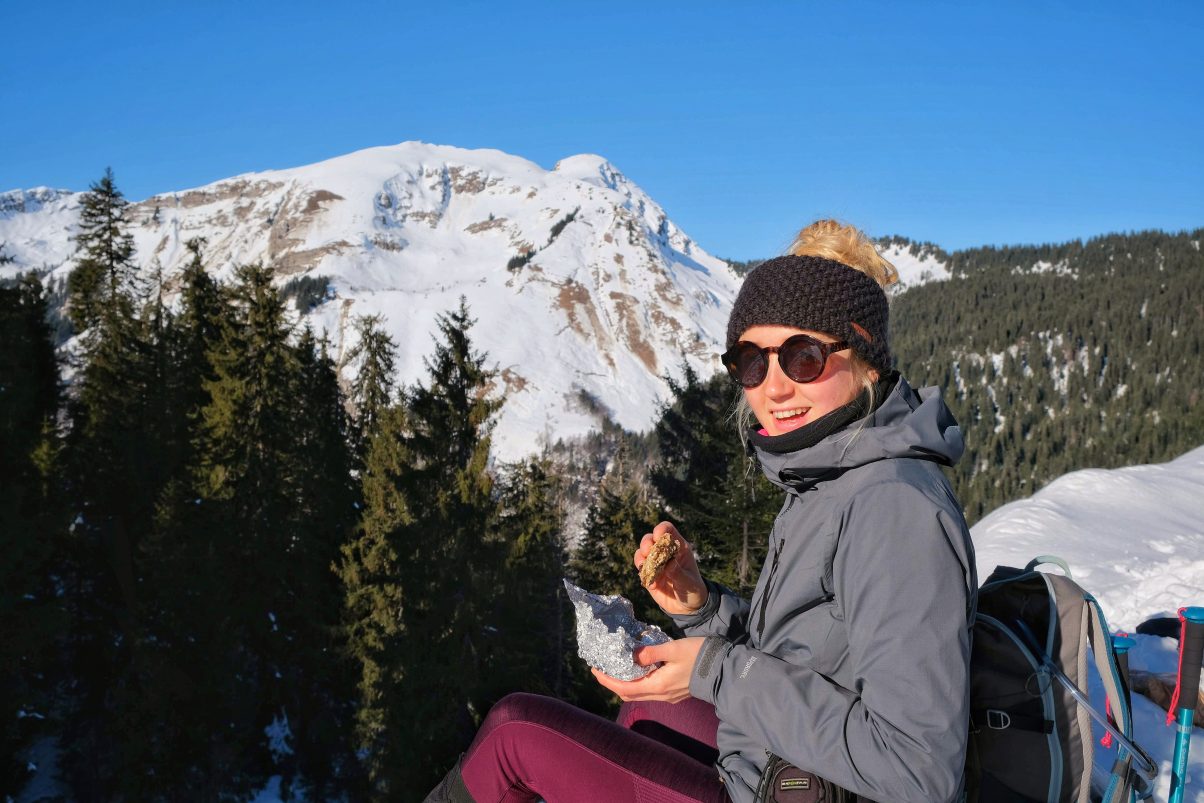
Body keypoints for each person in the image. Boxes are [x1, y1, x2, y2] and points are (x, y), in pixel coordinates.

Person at [425, 220, 977, 803]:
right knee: (644, 717)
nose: (775, 387)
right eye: (752, 363)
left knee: (515, 733)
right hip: (780, 770)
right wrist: (704, 609)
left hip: (797, 788)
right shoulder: (826, 482)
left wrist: (713, 668)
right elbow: (806, 657)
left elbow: (919, 770)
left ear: (865, 360)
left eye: (804, 357)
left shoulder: (893, 507)